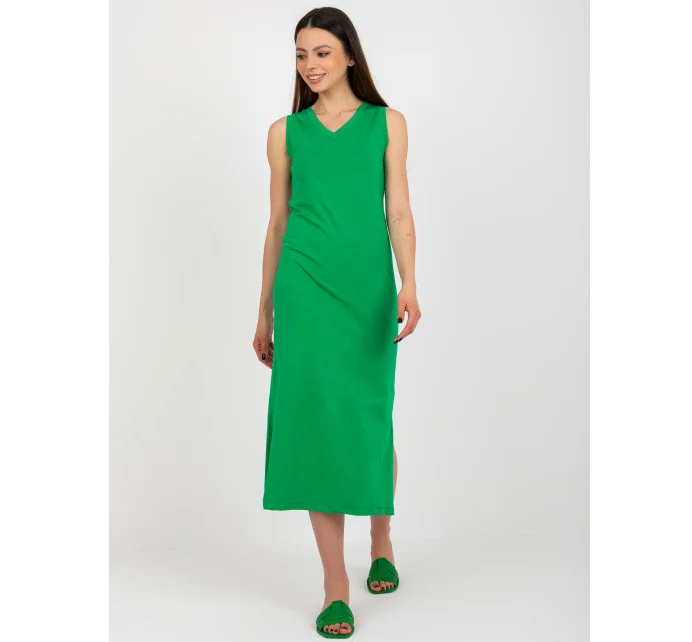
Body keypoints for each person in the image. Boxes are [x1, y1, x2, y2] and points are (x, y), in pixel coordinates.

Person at [252, 7, 421, 638]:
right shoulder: (284, 133)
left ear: (350, 55)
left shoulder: (387, 123)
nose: (310, 65)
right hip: (304, 290)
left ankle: (381, 537)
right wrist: (264, 307)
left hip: (367, 291)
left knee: (368, 418)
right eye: (301, 54)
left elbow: (398, 210)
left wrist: (410, 281)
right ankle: (335, 586)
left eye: (322, 52)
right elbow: (277, 222)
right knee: (317, 426)